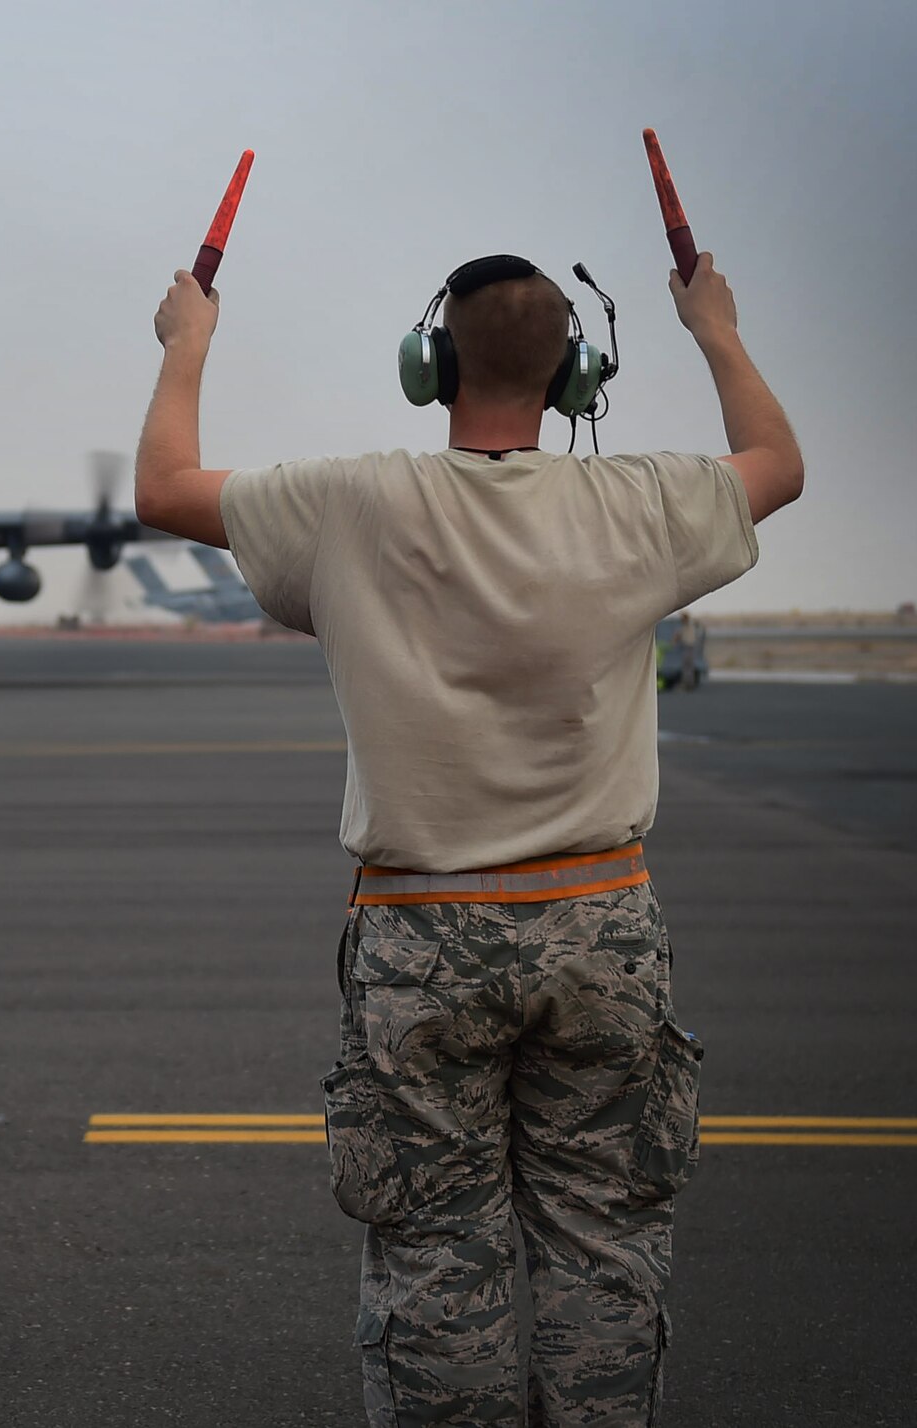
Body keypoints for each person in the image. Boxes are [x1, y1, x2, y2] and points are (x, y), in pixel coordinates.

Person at [133, 250, 802, 1426]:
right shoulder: (638, 499)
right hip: (600, 922)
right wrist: (714, 329)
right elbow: (777, 469)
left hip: (420, 932)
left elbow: (165, 490)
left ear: (428, 367)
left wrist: (186, 341)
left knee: (437, 1257)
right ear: (573, 379)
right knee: (603, 1240)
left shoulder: (351, 501)